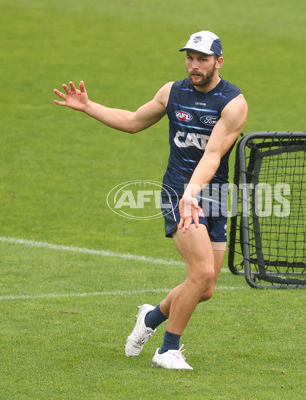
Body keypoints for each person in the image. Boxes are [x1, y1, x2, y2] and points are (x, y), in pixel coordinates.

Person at [53, 30, 248, 370]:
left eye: (202, 59)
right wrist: (88, 106)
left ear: (219, 61)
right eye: (189, 57)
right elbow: (132, 122)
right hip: (178, 193)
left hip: (212, 195)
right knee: (200, 273)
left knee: (205, 288)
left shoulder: (233, 103)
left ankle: (151, 315)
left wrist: (195, 192)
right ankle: (166, 350)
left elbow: (214, 154)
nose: (194, 65)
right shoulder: (172, 92)